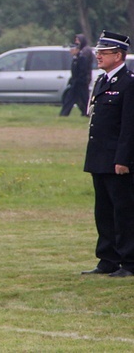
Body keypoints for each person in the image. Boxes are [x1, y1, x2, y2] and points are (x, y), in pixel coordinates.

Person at [81, 30, 134, 277]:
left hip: (117, 160)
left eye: (104, 52)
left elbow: (129, 126)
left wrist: (123, 159)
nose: (98, 56)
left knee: (123, 211)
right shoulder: (102, 81)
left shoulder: (129, 83)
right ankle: (108, 258)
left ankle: (129, 261)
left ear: (119, 55)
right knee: (103, 210)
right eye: (98, 52)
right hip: (100, 158)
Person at [60, 34, 94, 117]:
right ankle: (64, 113)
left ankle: (88, 113)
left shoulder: (82, 57)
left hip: (81, 82)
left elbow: (83, 70)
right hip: (76, 82)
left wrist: (79, 80)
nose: (70, 51)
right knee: (71, 98)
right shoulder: (75, 58)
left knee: (84, 99)